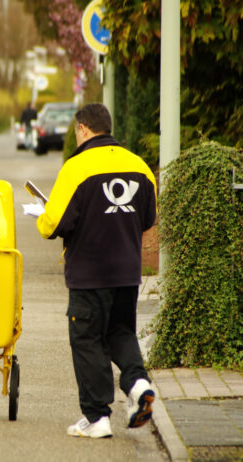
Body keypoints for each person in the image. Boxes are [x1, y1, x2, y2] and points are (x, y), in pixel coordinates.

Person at [34, 103, 157, 438]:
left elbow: (52, 224)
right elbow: (148, 219)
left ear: (84, 129)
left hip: (89, 274)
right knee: (120, 333)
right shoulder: (140, 167)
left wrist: (43, 215)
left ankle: (97, 417)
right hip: (127, 273)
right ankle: (139, 384)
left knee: (87, 340)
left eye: (77, 131)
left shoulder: (77, 168)